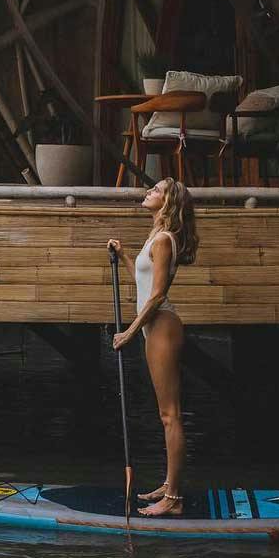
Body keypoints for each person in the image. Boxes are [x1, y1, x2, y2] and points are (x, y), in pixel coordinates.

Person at [106, 177, 199, 517]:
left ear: (168, 202)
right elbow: (144, 283)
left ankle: (173, 499)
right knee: (166, 415)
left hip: (161, 327)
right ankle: (168, 484)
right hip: (154, 328)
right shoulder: (157, 237)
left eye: (156, 190)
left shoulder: (163, 240)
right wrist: (126, 255)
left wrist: (129, 332)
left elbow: (158, 295)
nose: (149, 192)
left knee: (170, 415)